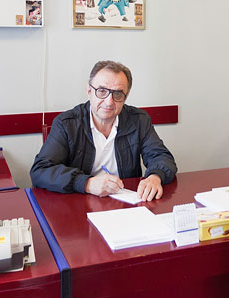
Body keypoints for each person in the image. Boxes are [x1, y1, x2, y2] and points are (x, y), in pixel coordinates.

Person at [30, 60, 176, 200]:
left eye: (117, 94)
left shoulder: (138, 120)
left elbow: (162, 157)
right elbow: (40, 171)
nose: (109, 102)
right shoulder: (66, 124)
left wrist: (155, 176)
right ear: (89, 91)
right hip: (78, 204)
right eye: (101, 91)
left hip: (126, 203)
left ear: (126, 97)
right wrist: (86, 183)